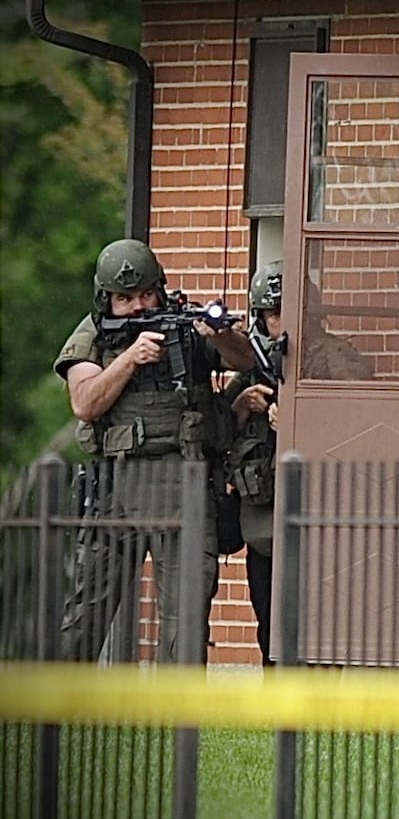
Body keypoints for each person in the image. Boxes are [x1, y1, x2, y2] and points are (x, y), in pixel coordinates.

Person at [54, 238, 254, 663]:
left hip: (183, 483)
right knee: (86, 611)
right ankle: (55, 712)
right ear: (106, 299)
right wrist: (129, 359)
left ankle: (178, 721)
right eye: (125, 299)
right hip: (116, 488)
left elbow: (245, 362)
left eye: (147, 294)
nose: (139, 306)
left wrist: (219, 333)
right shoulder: (93, 333)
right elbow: (85, 403)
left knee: (186, 616)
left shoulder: (184, 322)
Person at [224, 261, 284, 665]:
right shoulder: (248, 368)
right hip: (263, 518)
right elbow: (216, 433)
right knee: (266, 612)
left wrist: (298, 418)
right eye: (275, 313)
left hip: (315, 517)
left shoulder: (333, 359)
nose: (282, 322)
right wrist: (241, 407)